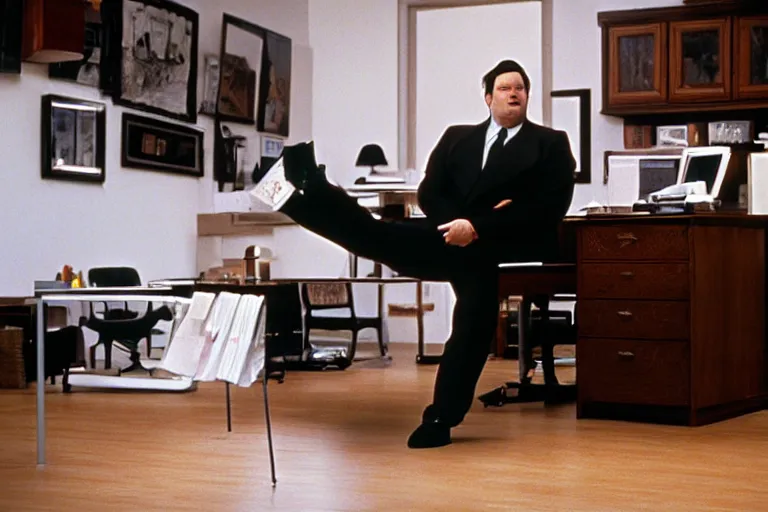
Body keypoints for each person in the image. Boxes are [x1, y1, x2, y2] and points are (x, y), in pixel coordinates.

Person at [250, 59, 576, 449]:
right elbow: (429, 191)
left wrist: (476, 228)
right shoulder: (458, 137)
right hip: (444, 234)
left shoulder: (550, 143)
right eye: (505, 88)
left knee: (472, 324)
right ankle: (307, 192)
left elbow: (545, 208)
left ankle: (440, 418)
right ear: (488, 97)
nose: (514, 93)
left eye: (520, 87)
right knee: (376, 235)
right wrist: (454, 224)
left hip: (493, 248)